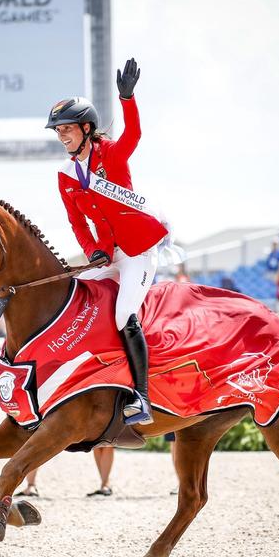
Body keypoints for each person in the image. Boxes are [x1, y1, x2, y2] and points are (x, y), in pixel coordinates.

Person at [46, 58, 168, 425]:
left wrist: (127, 98)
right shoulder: (66, 176)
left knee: (122, 313)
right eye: (58, 131)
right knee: (75, 296)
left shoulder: (111, 153)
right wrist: (91, 251)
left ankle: (142, 398)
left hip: (137, 251)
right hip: (107, 254)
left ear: (86, 127)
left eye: (67, 129)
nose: (62, 136)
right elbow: (76, 223)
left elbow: (135, 134)